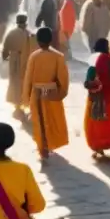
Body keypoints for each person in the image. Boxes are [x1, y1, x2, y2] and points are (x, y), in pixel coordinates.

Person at [22, 27, 69, 161]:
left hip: (36, 93)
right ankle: (49, 145)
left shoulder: (34, 56)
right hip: (52, 93)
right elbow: (63, 79)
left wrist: (26, 98)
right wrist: (61, 93)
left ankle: (42, 148)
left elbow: (28, 78)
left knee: (39, 122)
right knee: (52, 121)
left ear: (38, 41)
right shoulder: (58, 57)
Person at [84, 38, 110, 159]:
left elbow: (88, 80)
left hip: (95, 96)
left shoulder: (94, 60)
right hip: (108, 96)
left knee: (94, 123)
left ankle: (97, 147)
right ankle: (105, 144)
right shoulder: (109, 59)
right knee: (108, 123)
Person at [2, 14, 34, 115]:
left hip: (15, 63)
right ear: (25, 23)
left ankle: (17, 106)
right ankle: (27, 103)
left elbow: (5, 49)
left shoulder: (12, 33)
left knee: (15, 84)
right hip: (26, 63)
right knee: (26, 83)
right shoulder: (30, 34)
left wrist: (5, 56)